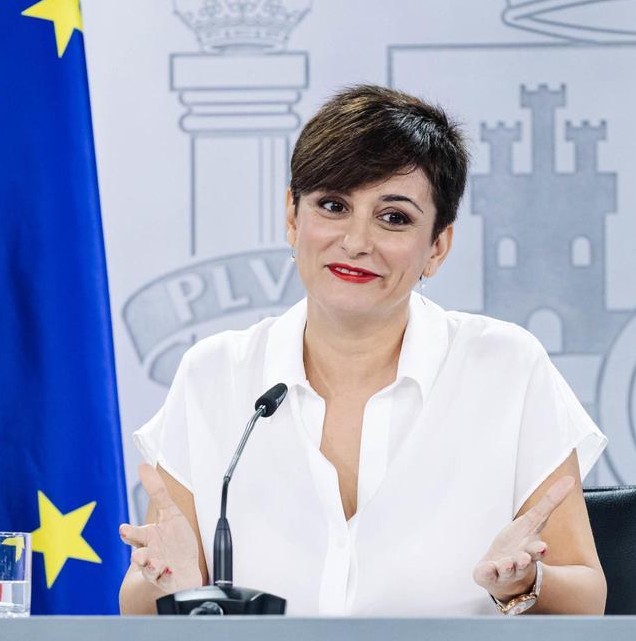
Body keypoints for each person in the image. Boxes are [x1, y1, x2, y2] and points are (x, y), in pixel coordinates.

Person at [118, 85, 608, 616]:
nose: (355, 241)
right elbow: (140, 605)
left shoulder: (506, 367)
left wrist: (526, 581)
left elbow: (587, 595)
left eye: (393, 217)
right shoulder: (215, 375)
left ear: (437, 246)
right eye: (333, 205)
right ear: (292, 216)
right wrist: (174, 586)